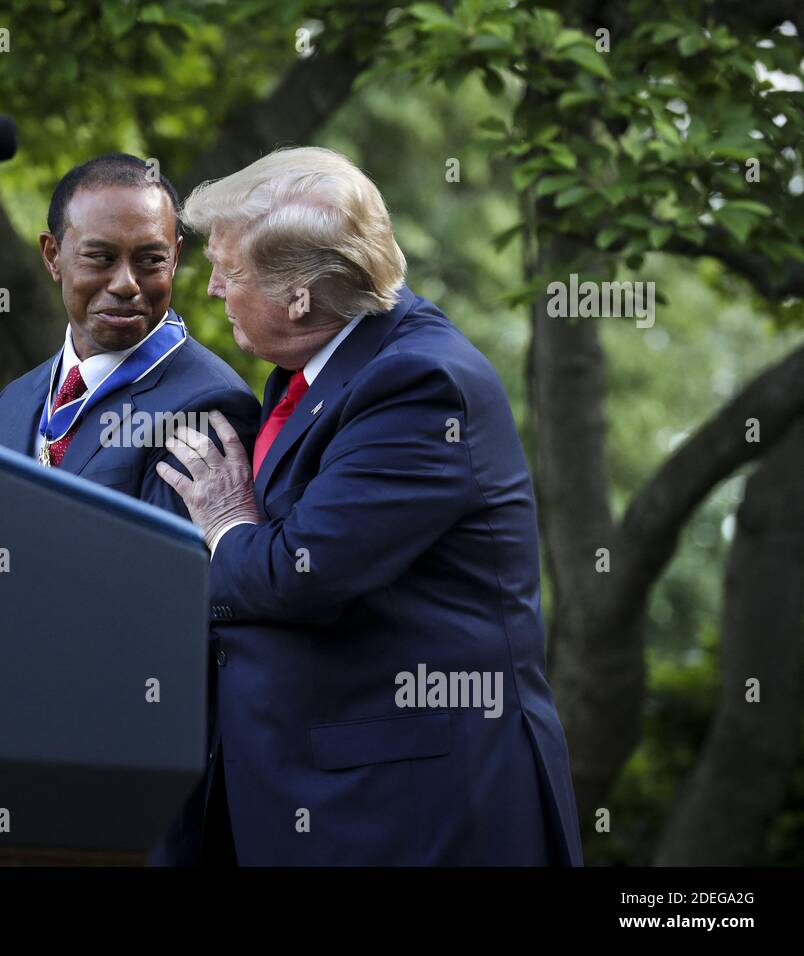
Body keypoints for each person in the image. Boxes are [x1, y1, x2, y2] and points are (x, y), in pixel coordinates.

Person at [157, 146, 583, 865]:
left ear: (298, 296)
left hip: (414, 814)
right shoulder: (326, 368)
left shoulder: (419, 384)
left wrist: (227, 525)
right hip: (332, 798)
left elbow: (301, 574)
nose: (211, 291)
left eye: (227, 272)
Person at [0, 153, 260, 865]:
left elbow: (167, 616)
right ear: (52, 255)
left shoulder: (203, 402)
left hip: (135, 774)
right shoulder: (15, 404)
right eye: (100, 258)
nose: (127, 285)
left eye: (151, 261)